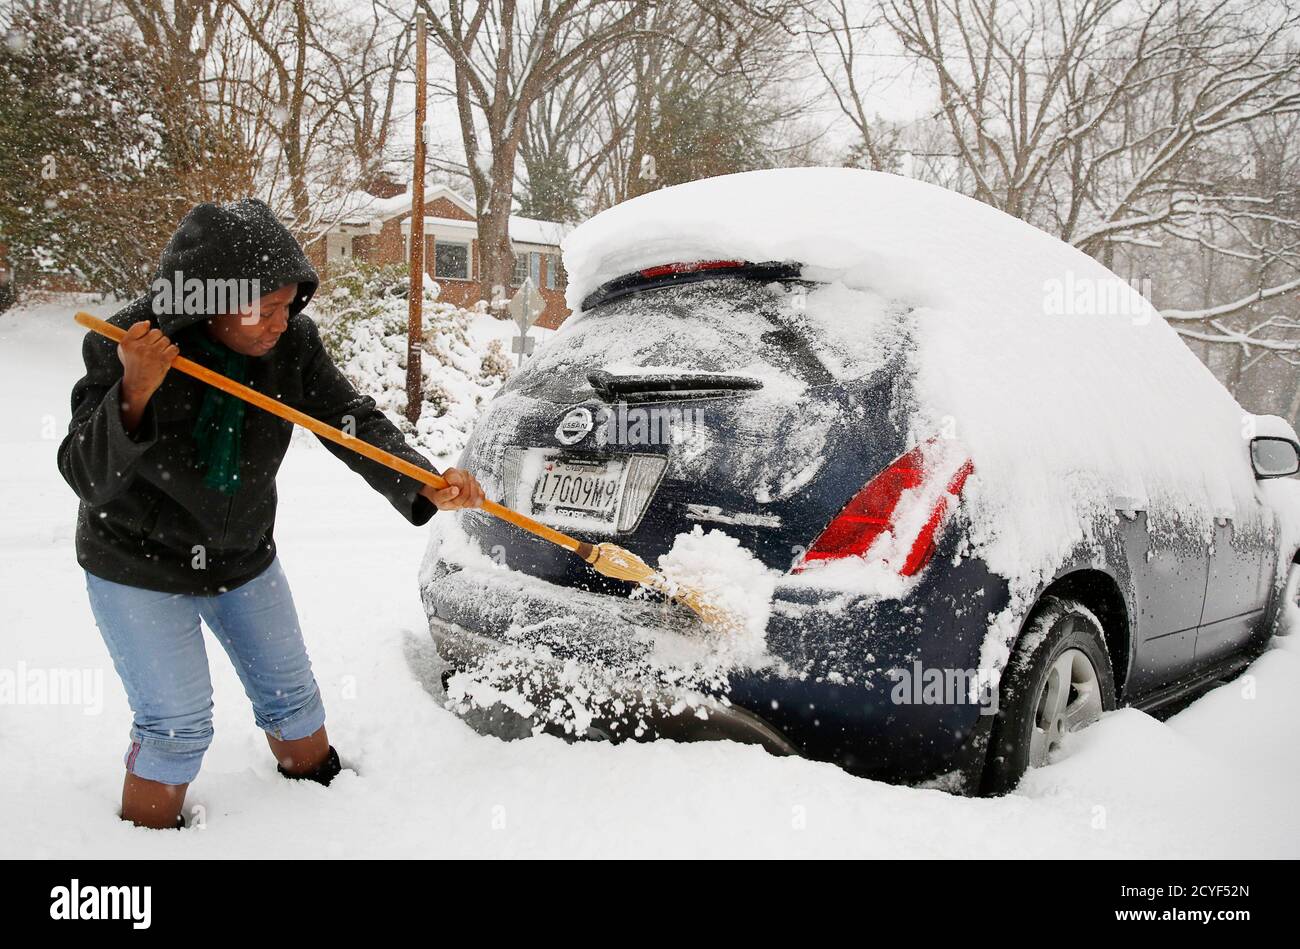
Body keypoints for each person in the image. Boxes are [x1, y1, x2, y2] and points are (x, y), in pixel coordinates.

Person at [57, 199, 485, 829]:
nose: (281, 322)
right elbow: (84, 475)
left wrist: (423, 482)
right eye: (266, 306)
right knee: (176, 727)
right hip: (136, 565)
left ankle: (326, 810)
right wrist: (136, 389)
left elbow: (350, 421)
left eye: (290, 305)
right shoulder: (128, 345)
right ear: (207, 300)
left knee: (295, 703)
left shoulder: (291, 346)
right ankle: (144, 846)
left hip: (244, 557)